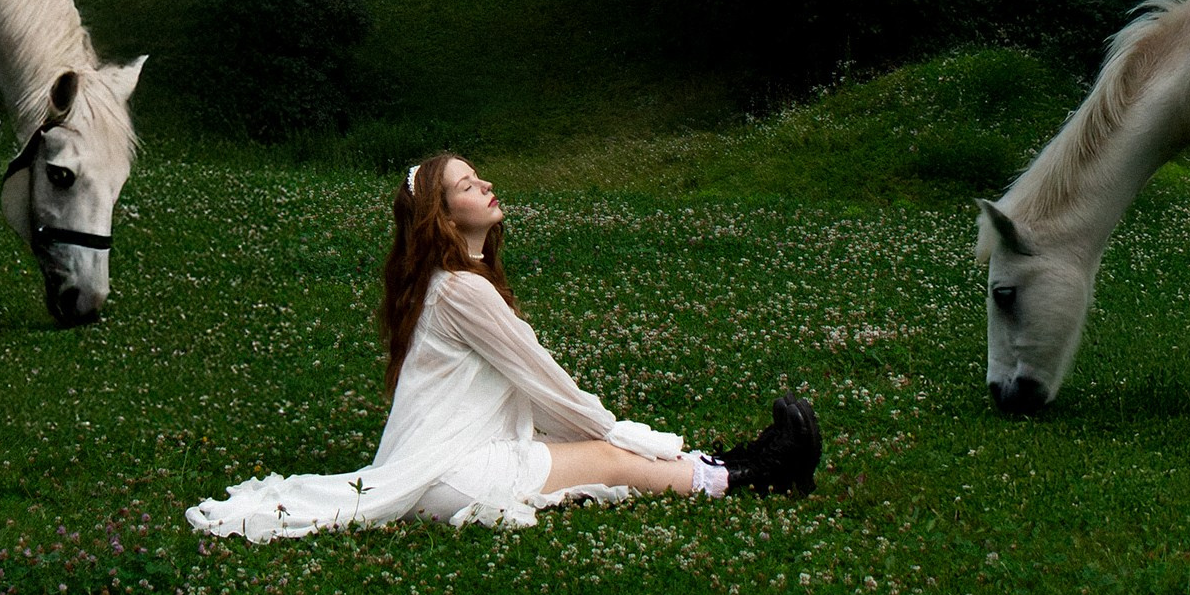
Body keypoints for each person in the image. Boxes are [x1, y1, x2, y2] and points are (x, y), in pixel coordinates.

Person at [187, 151, 821, 542]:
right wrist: (619, 433)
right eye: (467, 185)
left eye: (478, 176)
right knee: (610, 459)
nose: (486, 185)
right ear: (444, 215)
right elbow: (544, 380)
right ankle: (752, 475)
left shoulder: (452, 281)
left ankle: (722, 465)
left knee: (592, 451)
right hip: (452, 476)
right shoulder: (462, 290)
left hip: (448, 465)